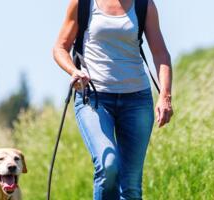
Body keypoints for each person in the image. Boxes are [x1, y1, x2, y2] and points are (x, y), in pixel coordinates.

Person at [52, 0, 173, 199]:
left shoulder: (144, 5)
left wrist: (165, 96)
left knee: (131, 186)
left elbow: (161, 54)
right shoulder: (83, 3)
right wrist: (74, 71)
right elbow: (60, 48)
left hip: (137, 100)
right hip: (94, 98)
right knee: (108, 166)